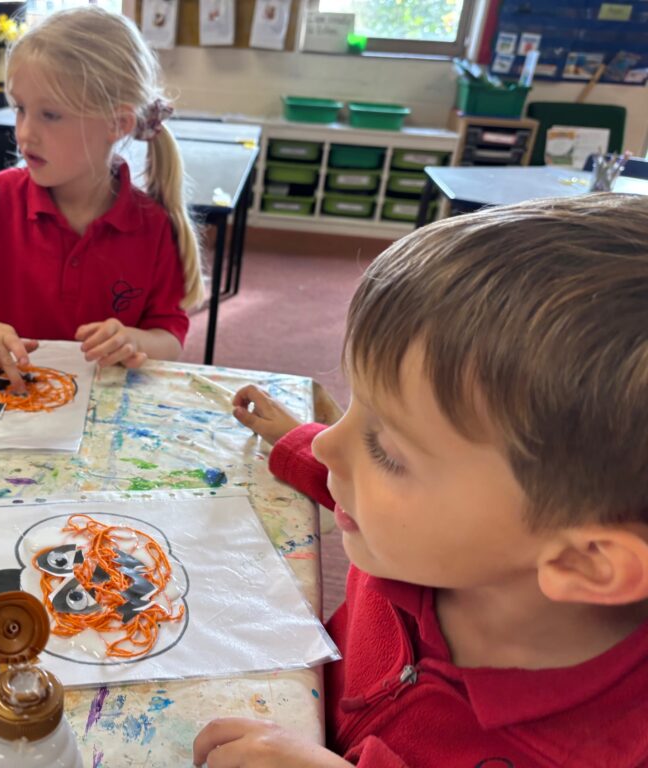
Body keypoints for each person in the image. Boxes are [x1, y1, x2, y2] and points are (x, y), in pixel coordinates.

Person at [194, 194, 648, 767]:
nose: (333, 443)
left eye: (386, 448)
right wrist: (294, 440)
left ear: (584, 563)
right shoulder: (427, 543)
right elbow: (366, 475)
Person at [0, 6, 203, 392]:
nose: (24, 133)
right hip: (14, 400)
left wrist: (134, 341)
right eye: (21, 109)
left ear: (117, 123)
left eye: (50, 115)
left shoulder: (152, 225)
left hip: (104, 408)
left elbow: (170, 338)